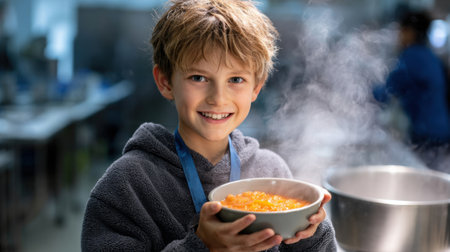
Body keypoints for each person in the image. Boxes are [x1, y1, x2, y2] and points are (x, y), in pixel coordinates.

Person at [81, 0, 337, 251]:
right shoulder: (126, 185)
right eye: (199, 77)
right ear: (166, 82)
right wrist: (201, 247)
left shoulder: (272, 174)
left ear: (256, 87)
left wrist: (311, 232)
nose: (218, 98)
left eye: (236, 79)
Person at [373, 9, 450, 146]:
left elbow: (389, 89)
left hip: (427, 133)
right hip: (442, 129)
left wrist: (359, 94)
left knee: (426, 166)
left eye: (401, 31)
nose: (398, 36)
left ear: (410, 32)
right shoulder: (429, 55)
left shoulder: (411, 56)